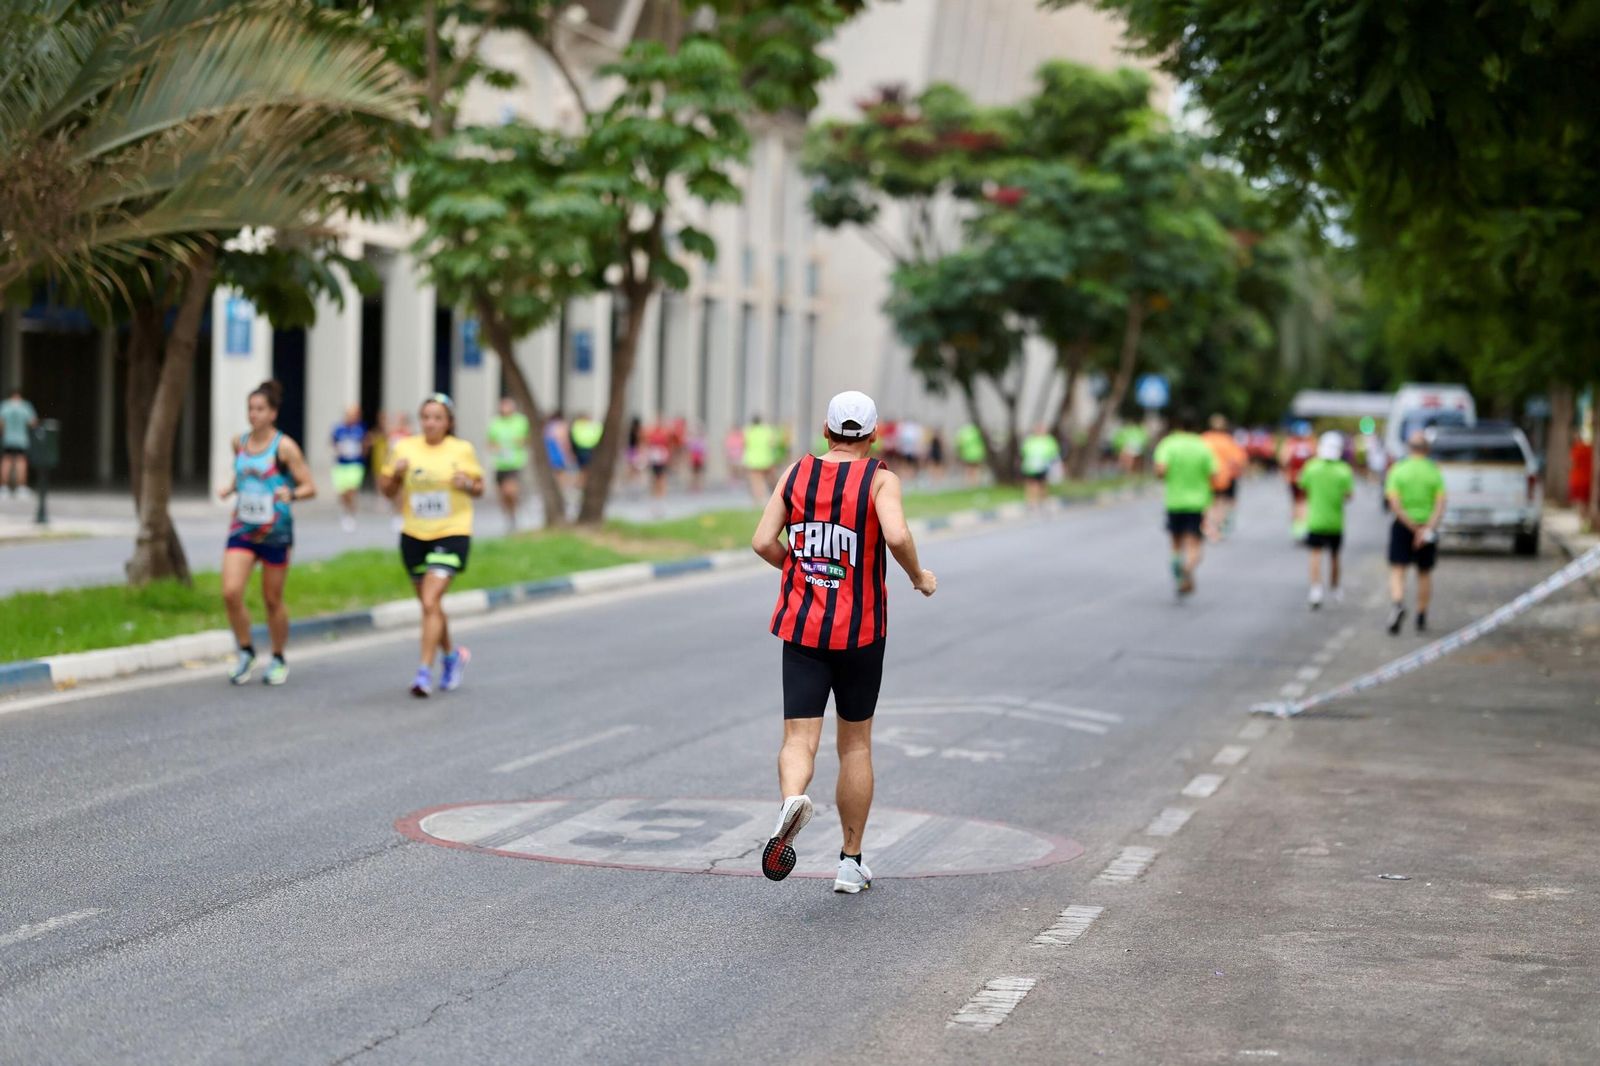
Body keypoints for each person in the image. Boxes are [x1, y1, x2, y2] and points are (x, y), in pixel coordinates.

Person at [751, 390, 937, 894]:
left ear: (827, 431)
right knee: (854, 744)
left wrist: (798, 567)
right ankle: (850, 863)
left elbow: (763, 541)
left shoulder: (795, 475)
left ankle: (792, 800)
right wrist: (918, 576)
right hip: (860, 632)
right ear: (872, 435)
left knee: (797, 738)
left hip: (803, 626)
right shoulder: (881, 479)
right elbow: (895, 536)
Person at [380, 394, 484, 697]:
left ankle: (423, 672)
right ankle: (452, 656)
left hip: (452, 531)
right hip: (414, 534)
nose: (431, 423)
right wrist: (396, 475)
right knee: (431, 606)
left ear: (449, 422)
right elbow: (387, 490)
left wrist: (467, 483)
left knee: (429, 602)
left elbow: (479, 488)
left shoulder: (461, 450)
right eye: (426, 417)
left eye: (438, 417)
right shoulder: (405, 448)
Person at [218, 381, 315, 686]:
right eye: (250, 408)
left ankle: (277, 656)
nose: (254, 414)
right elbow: (242, 473)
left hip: (276, 531)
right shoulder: (239, 442)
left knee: (272, 599)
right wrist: (231, 487)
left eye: (260, 409)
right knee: (231, 592)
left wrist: (293, 495)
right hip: (243, 527)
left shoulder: (284, 447)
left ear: (273, 413)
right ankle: (246, 650)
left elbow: (310, 486)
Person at [1384, 429, 1447, 635]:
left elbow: (1394, 502)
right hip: (1427, 527)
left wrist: (1411, 526)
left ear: (1409, 448)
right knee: (1424, 572)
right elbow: (1440, 503)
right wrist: (1426, 528)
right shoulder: (1434, 471)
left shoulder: (1398, 470)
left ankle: (1398, 603)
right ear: (1427, 449)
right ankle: (1421, 615)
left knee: (1398, 569)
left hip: (1403, 525)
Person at [1153, 414, 1216, 598]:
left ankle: (1179, 574)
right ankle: (1188, 568)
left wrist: (1168, 478)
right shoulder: (1203, 446)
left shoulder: (1169, 443)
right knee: (1194, 544)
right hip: (1197, 503)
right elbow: (1213, 474)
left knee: (1175, 543)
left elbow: (1161, 470)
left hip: (1174, 501)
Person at [1299, 431, 1356, 609]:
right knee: (1335, 556)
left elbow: (1303, 486)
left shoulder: (1311, 467)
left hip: (1315, 520)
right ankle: (1335, 587)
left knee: (1315, 554)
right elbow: (1349, 496)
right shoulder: (1344, 470)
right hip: (1335, 522)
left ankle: (1316, 589)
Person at [486, 397, 530, 531]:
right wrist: (496, 448)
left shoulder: (521, 421)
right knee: (503, 495)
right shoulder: (495, 423)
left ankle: (514, 513)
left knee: (510, 491)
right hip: (500, 464)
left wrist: (518, 442)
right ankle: (509, 515)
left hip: (515, 463)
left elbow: (526, 439)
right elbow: (490, 442)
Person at [1201, 414, 1248, 539]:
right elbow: (1239, 460)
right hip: (1223, 478)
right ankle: (1217, 529)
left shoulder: (1204, 438)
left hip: (1206, 477)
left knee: (1208, 504)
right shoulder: (1228, 441)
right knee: (1220, 504)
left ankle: (1208, 528)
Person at [331, 405, 368, 533]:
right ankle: (345, 512)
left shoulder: (360, 428)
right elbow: (332, 442)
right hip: (341, 464)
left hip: (355, 464)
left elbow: (365, 443)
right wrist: (338, 449)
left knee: (351, 490)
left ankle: (351, 515)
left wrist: (363, 455)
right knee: (342, 493)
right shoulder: (338, 429)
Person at [1280, 422, 1316, 539]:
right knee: (1305, 503)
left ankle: (1297, 528)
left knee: (1296, 503)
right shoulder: (1311, 444)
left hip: (1293, 477)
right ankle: (1303, 527)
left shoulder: (1290, 443)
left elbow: (1284, 460)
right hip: (1307, 477)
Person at [0, 388, 39, 498]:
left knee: (6, 461)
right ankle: (21, 488)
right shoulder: (25, 406)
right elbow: (33, 422)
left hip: (8, 439)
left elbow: (1, 422)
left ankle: (3, 488)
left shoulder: (5, 405)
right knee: (21, 462)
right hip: (21, 439)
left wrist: (4, 433)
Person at [1019, 424, 1061, 509]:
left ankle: (1043, 501)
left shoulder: (1049, 440)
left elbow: (1054, 452)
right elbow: (1024, 451)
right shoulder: (1030, 440)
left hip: (1043, 465)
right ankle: (1031, 502)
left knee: (1042, 484)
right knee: (1031, 484)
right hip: (1030, 466)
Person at [742, 414, 779, 502]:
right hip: (766, 459)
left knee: (756, 481)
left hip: (753, 460)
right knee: (771, 479)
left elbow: (744, 443)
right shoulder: (766, 430)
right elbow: (773, 443)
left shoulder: (748, 431)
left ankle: (759, 498)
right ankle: (776, 496)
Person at [570, 414, 602, 484]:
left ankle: (582, 482)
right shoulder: (582, 426)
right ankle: (582, 482)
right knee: (584, 468)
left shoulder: (577, 426)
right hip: (585, 449)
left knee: (583, 468)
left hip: (583, 449)